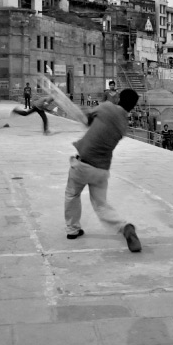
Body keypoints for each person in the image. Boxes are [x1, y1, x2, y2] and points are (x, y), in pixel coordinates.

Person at [63, 89, 142, 252]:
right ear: (132, 107)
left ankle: (73, 229)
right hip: (101, 170)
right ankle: (124, 226)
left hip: (83, 164)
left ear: (119, 98)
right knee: (101, 206)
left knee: (72, 194)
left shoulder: (107, 107)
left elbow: (87, 119)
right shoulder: (123, 126)